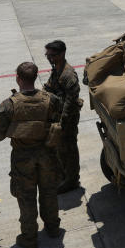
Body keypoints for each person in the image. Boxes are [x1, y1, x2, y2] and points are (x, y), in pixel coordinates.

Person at [0, 62, 63, 248]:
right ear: (35, 77)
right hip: (47, 154)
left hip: (22, 158)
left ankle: (30, 237)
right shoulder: (52, 99)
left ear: (18, 78)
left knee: (26, 197)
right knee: (49, 191)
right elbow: (57, 120)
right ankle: (53, 228)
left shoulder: (9, 105)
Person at [43, 40, 81, 194]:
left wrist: (62, 123)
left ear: (62, 54)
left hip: (67, 119)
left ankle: (71, 180)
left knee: (69, 149)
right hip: (58, 117)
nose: (49, 58)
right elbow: (49, 87)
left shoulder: (68, 75)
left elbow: (71, 102)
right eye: (47, 55)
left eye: (52, 55)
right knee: (60, 149)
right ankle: (64, 175)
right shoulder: (56, 70)